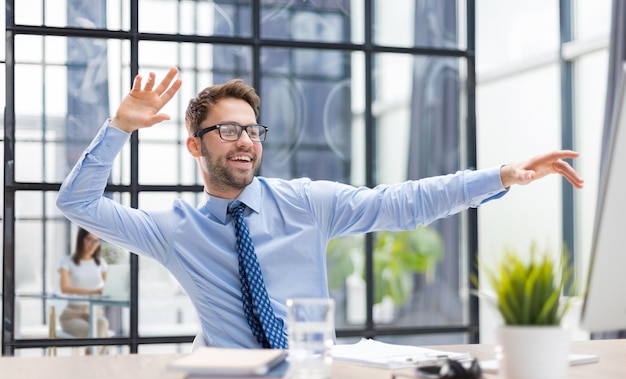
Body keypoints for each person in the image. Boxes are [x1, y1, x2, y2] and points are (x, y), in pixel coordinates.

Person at [56, 67, 584, 349]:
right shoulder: (175, 230)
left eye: (252, 130)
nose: (245, 141)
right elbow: (77, 201)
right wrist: (120, 127)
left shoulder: (306, 203)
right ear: (196, 145)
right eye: (228, 130)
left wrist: (500, 177)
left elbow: (402, 203)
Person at [58, 227, 110, 345]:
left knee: (102, 324)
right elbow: (64, 288)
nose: (93, 244)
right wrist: (93, 292)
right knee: (96, 334)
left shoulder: (101, 263)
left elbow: (109, 285)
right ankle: (95, 360)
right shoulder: (67, 261)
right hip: (72, 314)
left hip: (94, 312)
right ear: (81, 239)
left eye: (96, 241)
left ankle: (92, 360)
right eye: (89, 240)